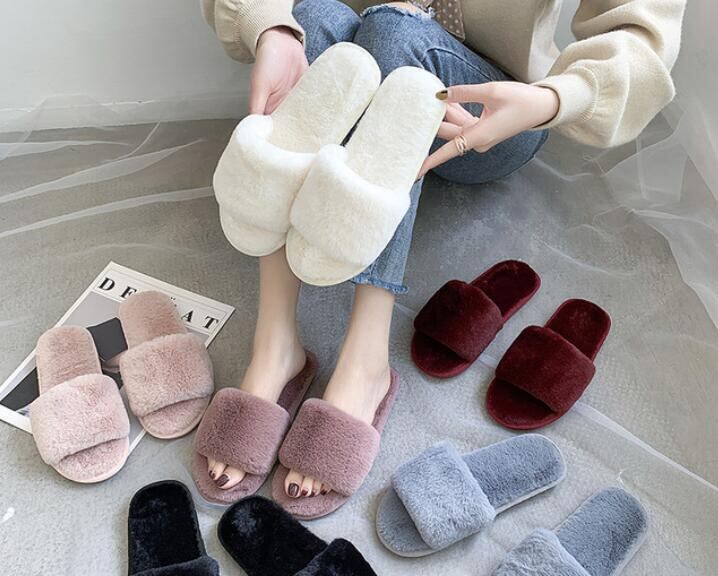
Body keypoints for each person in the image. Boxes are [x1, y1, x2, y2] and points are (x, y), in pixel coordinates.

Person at [200, 0, 685, 497]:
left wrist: (553, 98)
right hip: (360, 71)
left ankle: (365, 362)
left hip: (492, 114)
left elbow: (641, 34)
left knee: (395, 33)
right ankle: (276, 343)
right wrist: (271, 30)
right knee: (313, 21)